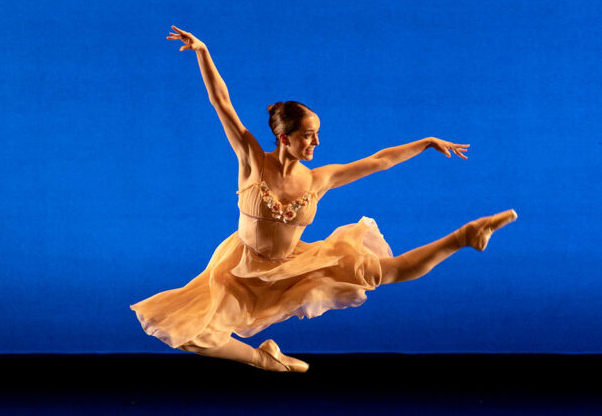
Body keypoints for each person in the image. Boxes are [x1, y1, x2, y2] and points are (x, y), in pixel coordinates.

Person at [131, 25, 517, 373]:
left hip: (295, 266)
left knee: (386, 272)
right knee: (193, 336)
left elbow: (378, 161)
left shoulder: (320, 178)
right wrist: (203, 51)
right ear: (284, 137)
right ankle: (265, 359)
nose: (316, 142)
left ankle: (465, 235)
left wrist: (426, 142)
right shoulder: (251, 162)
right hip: (241, 271)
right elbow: (222, 104)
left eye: (316, 134)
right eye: (308, 135)